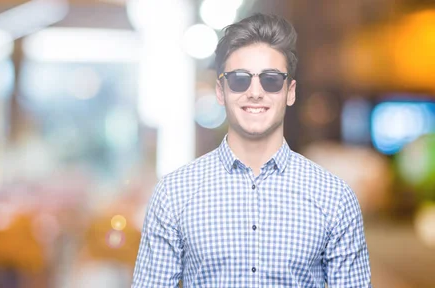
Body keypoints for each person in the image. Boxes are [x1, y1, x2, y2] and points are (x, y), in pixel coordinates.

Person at [132, 13, 372, 287]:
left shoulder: (335, 197)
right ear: (221, 91)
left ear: (290, 92)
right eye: (239, 79)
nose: (255, 92)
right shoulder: (174, 193)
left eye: (270, 80)